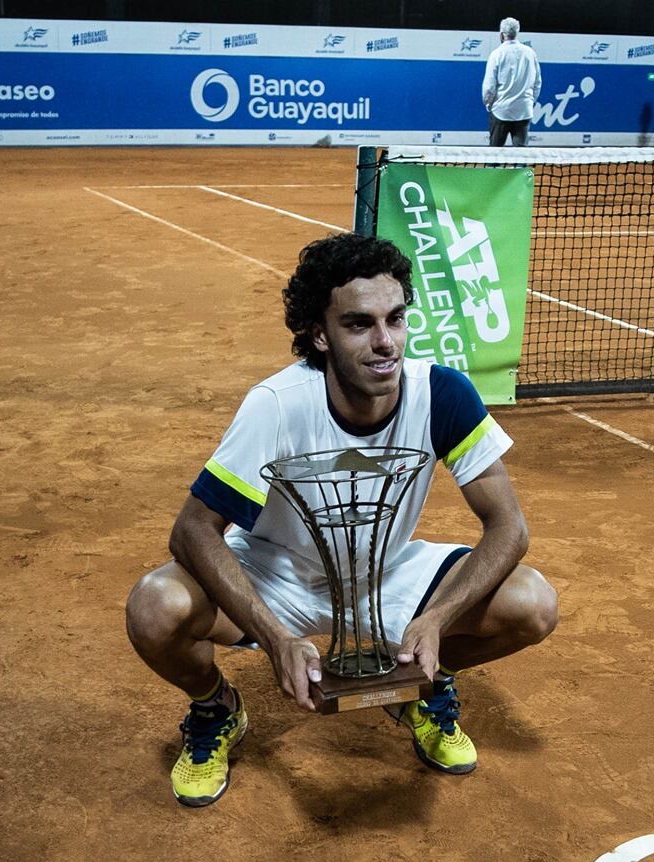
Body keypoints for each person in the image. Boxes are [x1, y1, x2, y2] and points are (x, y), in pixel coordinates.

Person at [125, 234, 559, 808]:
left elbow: (509, 528)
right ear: (320, 335)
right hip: (277, 574)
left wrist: (438, 618)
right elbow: (192, 531)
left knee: (533, 603)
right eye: (359, 324)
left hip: (386, 572)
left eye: (396, 319)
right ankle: (215, 708)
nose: (386, 343)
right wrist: (276, 637)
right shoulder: (278, 404)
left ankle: (420, 686)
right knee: (155, 607)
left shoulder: (443, 394)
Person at [482, 18, 541, 147]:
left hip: (500, 111)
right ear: (517, 33)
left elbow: (489, 87)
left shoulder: (496, 54)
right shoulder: (530, 53)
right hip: (524, 110)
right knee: (521, 157)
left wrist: (489, 105)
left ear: (501, 34)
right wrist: (530, 102)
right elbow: (537, 83)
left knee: (494, 157)